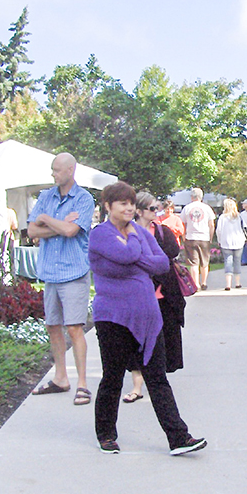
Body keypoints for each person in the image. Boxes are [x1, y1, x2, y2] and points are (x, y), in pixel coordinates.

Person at [89, 181, 206, 456]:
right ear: (108, 206)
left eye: (132, 203)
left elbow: (162, 263)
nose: (129, 208)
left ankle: (179, 438)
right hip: (113, 318)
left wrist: (134, 257)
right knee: (112, 378)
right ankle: (106, 434)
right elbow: (126, 254)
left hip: (147, 317)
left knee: (157, 378)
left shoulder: (141, 232)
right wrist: (136, 252)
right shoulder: (100, 235)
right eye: (123, 203)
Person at [28, 152, 95, 406]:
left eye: (57, 169)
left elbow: (71, 231)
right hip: (50, 272)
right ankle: (60, 377)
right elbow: (32, 230)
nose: (53, 174)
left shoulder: (84, 198)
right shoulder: (46, 196)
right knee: (52, 325)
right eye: (53, 169)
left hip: (74, 271)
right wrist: (57, 224)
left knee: (75, 327)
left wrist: (46, 220)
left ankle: (82, 384)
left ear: (70, 170)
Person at [123, 193, 186, 404]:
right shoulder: (126, 231)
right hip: (137, 296)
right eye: (151, 209)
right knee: (136, 340)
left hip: (163, 295)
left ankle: (157, 381)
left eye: (156, 208)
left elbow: (171, 253)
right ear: (139, 211)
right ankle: (137, 387)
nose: (156, 213)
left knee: (162, 341)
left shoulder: (162, 231)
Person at [179, 187, 216, 290]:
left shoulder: (187, 208)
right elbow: (211, 225)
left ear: (192, 197)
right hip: (204, 237)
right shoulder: (207, 208)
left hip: (191, 237)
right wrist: (210, 237)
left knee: (193, 263)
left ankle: (196, 284)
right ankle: (204, 282)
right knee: (204, 262)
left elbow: (182, 224)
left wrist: (184, 236)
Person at [216, 198, 247, 291]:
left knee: (228, 261)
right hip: (239, 241)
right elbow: (244, 227)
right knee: (237, 261)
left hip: (226, 242)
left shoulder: (222, 217)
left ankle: (228, 284)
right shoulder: (239, 217)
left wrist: (219, 240)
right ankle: (238, 283)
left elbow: (219, 230)